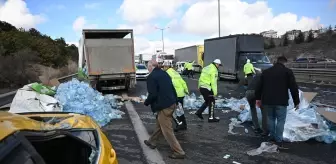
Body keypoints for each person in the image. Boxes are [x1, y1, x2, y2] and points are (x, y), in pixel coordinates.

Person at [143, 60, 186, 159]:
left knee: (167, 130)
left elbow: (153, 94)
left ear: (151, 67)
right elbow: (172, 88)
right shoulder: (164, 74)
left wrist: (146, 102)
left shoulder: (151, 77)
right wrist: (175, 101)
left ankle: (179, 152)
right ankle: (152, 142)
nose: (148, 69)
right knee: (160, 123)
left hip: (163, 106)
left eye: (148, 67)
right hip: (171, 103)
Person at [255, 56, 300, 148]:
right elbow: (293, 88)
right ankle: (278, 140)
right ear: (285, 63)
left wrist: (258, 98)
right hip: (281, 101)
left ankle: (272, 137)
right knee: (280, 120)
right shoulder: (287, 72)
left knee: (270, 118)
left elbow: (259, 86)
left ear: (276, 62)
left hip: (268, 100)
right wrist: (296, 101)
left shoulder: (266, 72)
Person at [163, 63, 189, 132]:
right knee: (180, 110)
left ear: (166, 67)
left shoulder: (167, 73)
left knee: (173, 111)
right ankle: (184, 125)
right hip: (181, 94)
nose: (163, 68)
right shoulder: (176, 73)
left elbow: (168, 85)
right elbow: (183, 82)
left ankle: (179, 124)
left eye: (164, 67)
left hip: (175, 94)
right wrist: (186, 90)